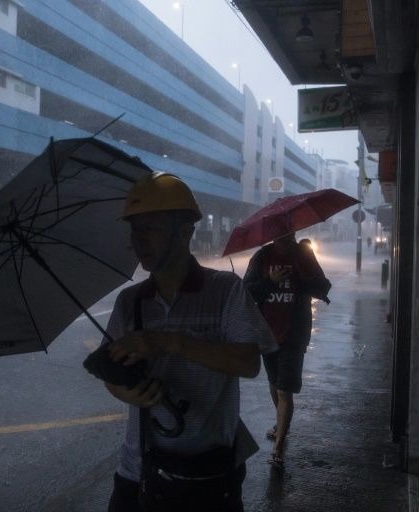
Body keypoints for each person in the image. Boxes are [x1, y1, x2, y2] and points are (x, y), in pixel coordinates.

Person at [102, 172, 277, 512]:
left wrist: (169, 343)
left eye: (150, 228)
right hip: (138, 472)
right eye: (134, 229)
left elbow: (247, 363)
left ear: (184, 231)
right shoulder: (130, 302)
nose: (139, 241)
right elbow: (112, 374)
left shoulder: (226, 291)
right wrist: (126, 391)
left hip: (208, 476)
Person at [243, 232, 331, 470]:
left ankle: (279, 446)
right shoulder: (262, 256)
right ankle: (282, 423)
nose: (285, 237)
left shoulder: (303, 255)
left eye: (289, 233)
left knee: (285, 391)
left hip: (294, 334)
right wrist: (270, 280)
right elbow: (247, 291)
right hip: (268, 333)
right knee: (274, 384)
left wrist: (304, 278)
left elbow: (323, 286)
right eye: (280, 234)